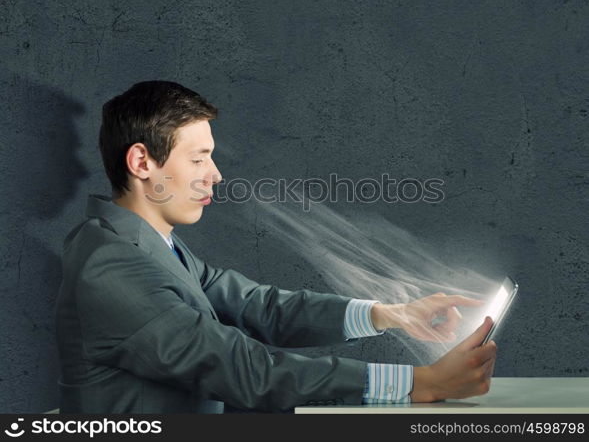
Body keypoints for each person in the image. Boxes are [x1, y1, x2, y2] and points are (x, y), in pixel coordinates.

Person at [54, 80, 497, 413]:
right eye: (197, 158)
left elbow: (261, 308)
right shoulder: (110, 262)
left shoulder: (155, 247)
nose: (215, 175)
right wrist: (421, 382)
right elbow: (244, 369)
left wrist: (390, 314)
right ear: (141, 162)